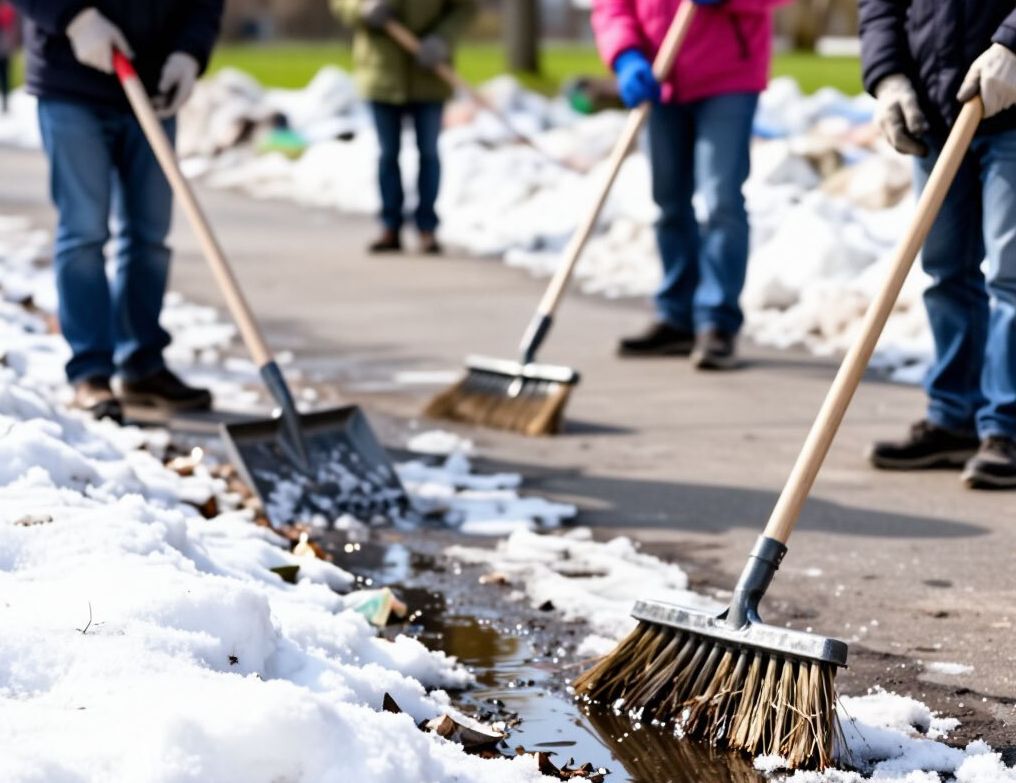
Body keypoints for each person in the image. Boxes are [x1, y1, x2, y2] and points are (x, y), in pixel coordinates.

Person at [11, 1, 224, 422]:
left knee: (150, 235)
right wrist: (74, 17)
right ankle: (91, 372)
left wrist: (189, 53)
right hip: (71, 82)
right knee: (85, 231)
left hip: (153, 83)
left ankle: (142, 365)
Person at [861, 0, 1016, 489]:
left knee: (1011, 276)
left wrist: (1013, 42)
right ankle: (955, 418)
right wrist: (887, 75)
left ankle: (1007, 427)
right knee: (946, 271)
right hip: (936, 107)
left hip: (1012, 98)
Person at [591, 0, 788, 370]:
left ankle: (717, 320)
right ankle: (677, 317)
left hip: (728, 75)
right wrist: (625, 55)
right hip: (659, 74)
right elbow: (611, 7)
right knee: (669, 203)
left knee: (721, 201)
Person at [333, 0, 477, 255]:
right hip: (381, 73)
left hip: (429, 75)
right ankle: (390, 226)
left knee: (429, 154)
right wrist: (361, 8)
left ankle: (427, 228)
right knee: (388, 154)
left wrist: (442, 40)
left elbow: (464, 7)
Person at [0, 1, 17, 114]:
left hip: (4, 50)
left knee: (5, 77)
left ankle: (5, 101)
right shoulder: (8, 9)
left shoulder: (7, 10)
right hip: (5, 49)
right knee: (5, 77)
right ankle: (5, 101)